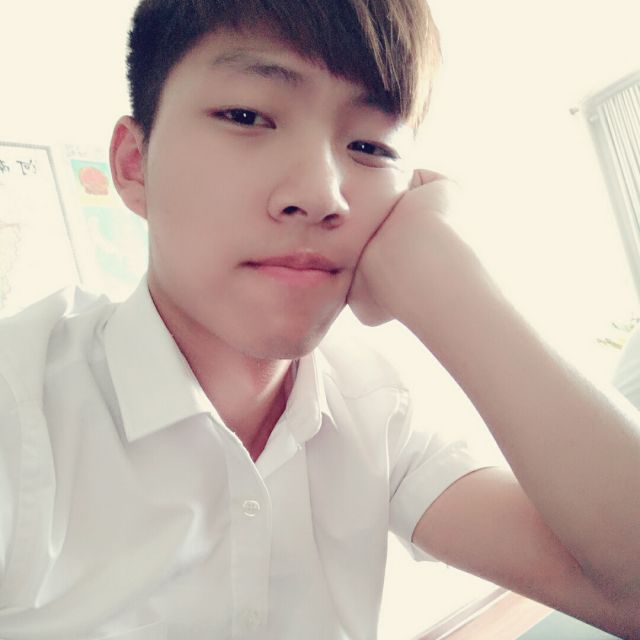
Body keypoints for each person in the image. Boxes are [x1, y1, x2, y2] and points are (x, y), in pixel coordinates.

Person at [1, 1, 639, 638]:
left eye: (369, 146)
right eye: (247, 116)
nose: (321, 194)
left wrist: (448, 282)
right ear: (133, 164)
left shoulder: (375, 409)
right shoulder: (22, 412)